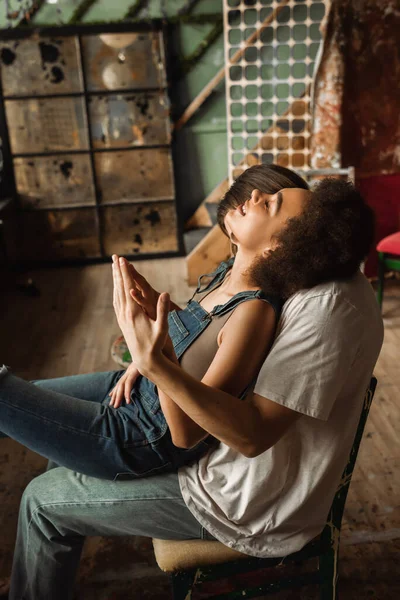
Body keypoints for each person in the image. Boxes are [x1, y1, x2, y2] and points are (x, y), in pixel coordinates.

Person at [1, 165, 383, 600]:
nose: (258, 198)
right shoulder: (262, 275)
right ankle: (35, 575)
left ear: (286, 242)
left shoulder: (318, 304)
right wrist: (155, 347)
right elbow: (209, 342)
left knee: (39, 499)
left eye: (273, 202)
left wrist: (157, 355)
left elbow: (241, 432)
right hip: (172, 414)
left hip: (229, 494)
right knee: (51, 431)